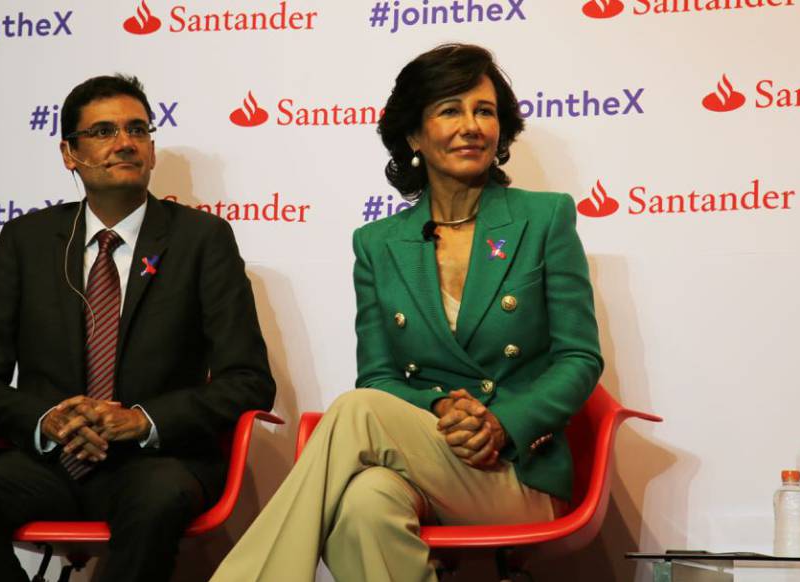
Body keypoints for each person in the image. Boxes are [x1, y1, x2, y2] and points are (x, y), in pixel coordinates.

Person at [210, 44, 603, 581]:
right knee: (363, 507)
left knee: (355, 411)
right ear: (414, 136)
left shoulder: (545, 218)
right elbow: (380, 375)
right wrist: (443, 406)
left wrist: (501, 424)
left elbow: (579, 358)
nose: (471, 126)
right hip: (428, 456)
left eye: (484, 111)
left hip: (515, 471)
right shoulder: (377, 244)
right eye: (450, 110)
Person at [0, 74, 275, 582]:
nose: (126, 143)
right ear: (69, 153)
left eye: (138, 130)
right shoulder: (27, 241)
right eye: (104, 131)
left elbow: (248, 381)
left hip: (153, 461)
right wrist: (49, 420)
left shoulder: (203, 240)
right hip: (45, 462)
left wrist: (141, 420)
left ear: (152, 150)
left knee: (158, 498)